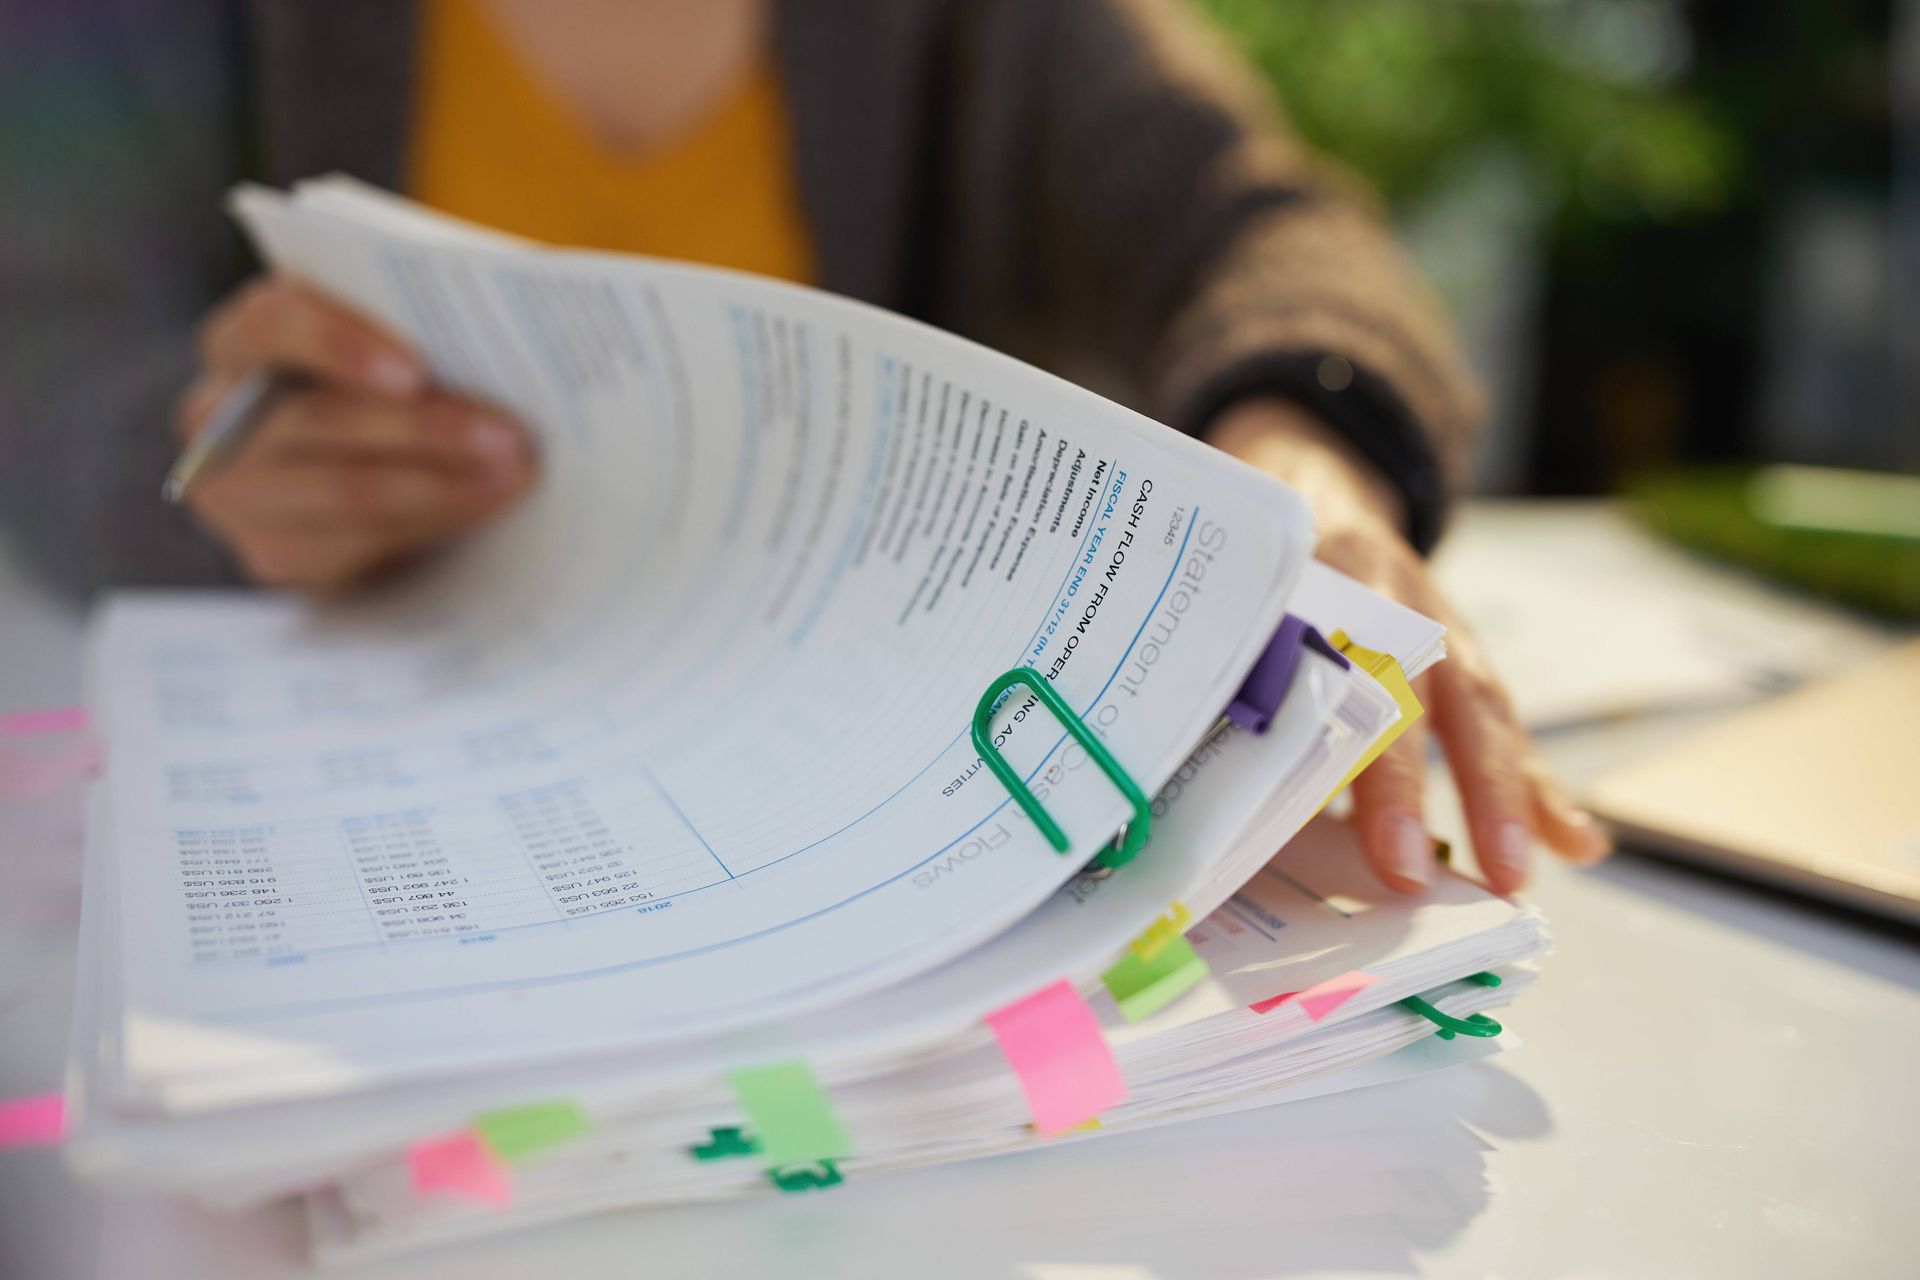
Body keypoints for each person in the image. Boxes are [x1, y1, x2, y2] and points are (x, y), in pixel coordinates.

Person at [0, 0, 1609, 894]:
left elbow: (1265, 222)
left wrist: (1305, 452)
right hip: (337, 820)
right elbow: (42, 383)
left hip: (837, 844)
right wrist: (202, 461)